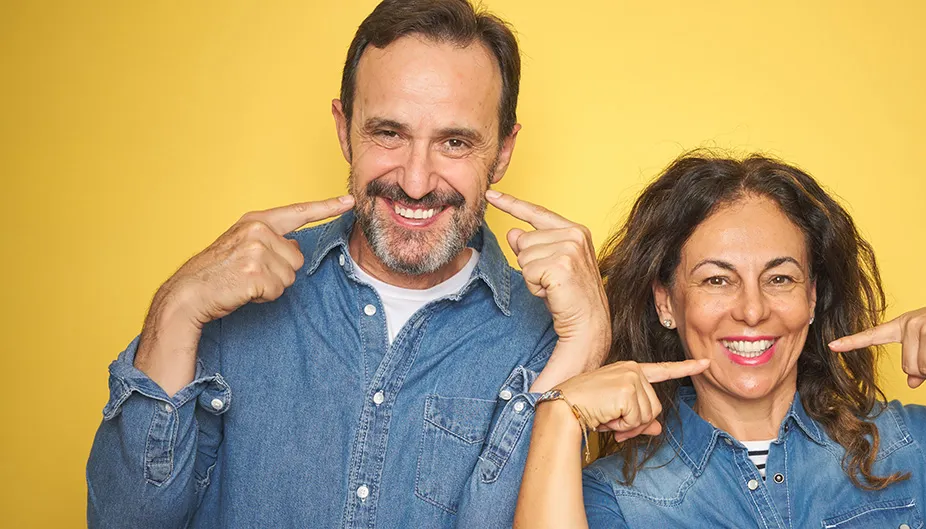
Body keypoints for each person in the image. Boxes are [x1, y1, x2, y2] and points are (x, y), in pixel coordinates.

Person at [86, 1, 610, 527]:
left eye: (455, 142)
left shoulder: (548, 336)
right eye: (389, 133)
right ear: (344, 129)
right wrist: (177, 305)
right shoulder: (234, 294)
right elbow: (122, 520)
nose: (415, 181)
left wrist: (587, 340)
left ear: (501, 152)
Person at [514, 153, 926, 528]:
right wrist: (561, 412)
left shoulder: (906, 447)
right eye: (716, 279)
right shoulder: (612, 497)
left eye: (781, 277)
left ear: (814, 296)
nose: (752, 309)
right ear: (666, 300)